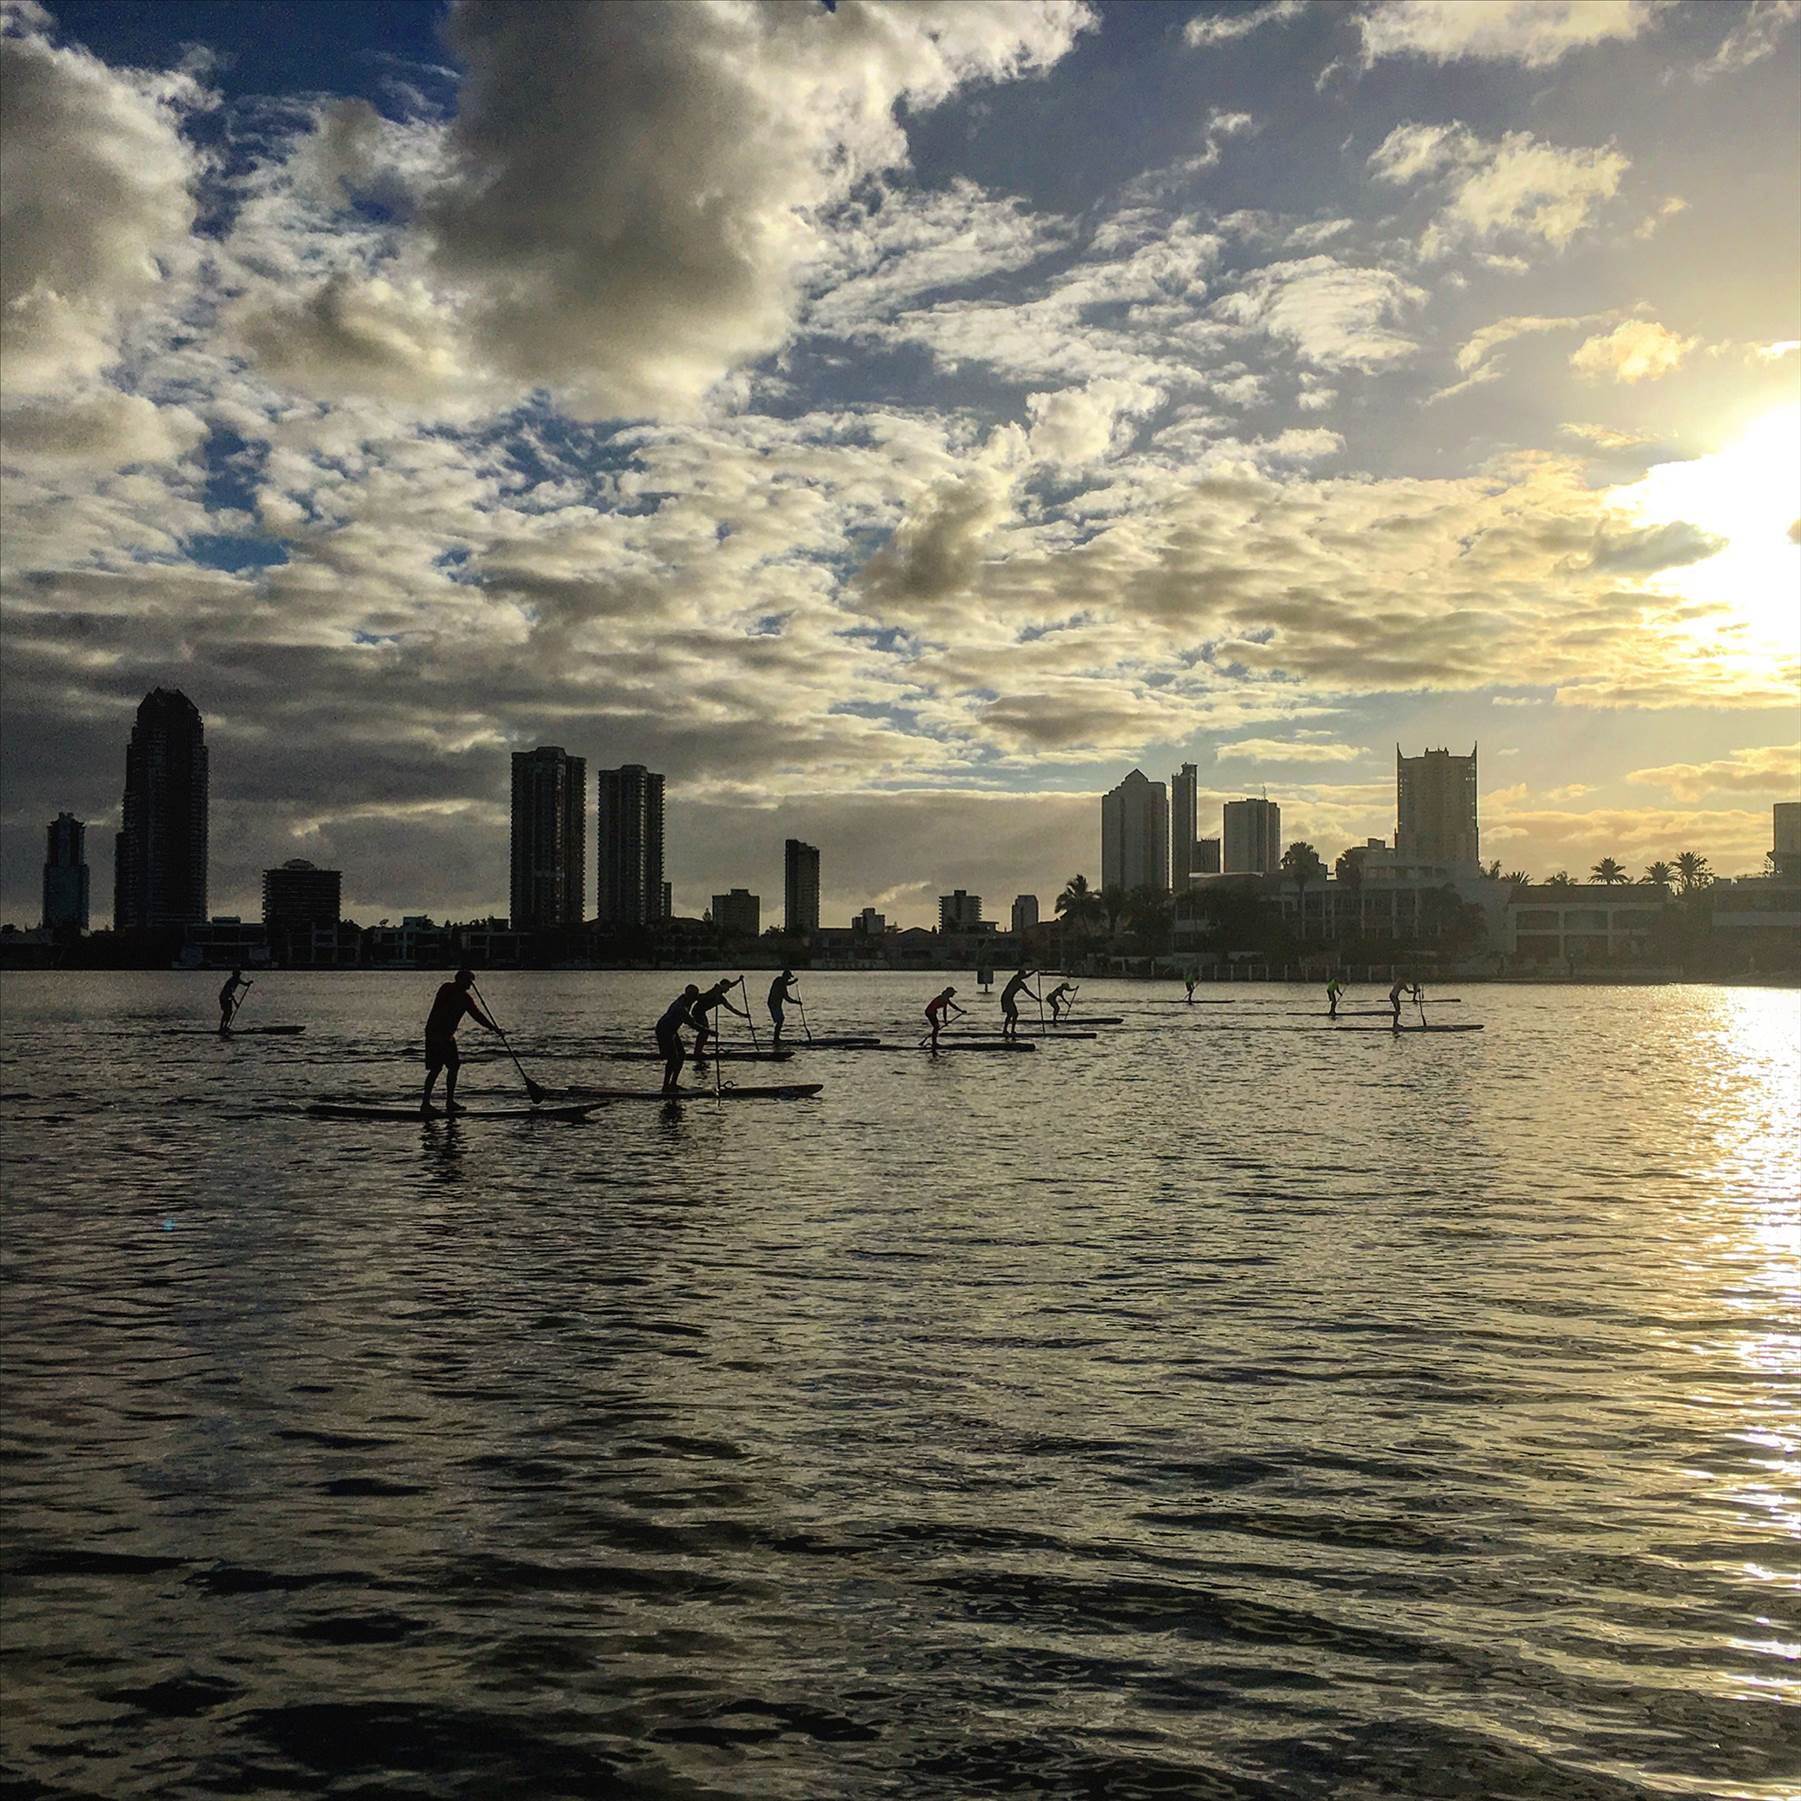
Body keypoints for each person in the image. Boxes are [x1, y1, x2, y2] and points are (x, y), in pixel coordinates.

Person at [422, 967, 499, 1114]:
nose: (470, 985)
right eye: (468, 981)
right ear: (460, 980)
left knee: (453, 1066)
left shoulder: (464, 998)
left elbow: (477, 1015)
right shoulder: (448, 989)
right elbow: (473, 1012)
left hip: (447, 1037)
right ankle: (426, 1103)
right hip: (435, 1035)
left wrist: (493, 1028)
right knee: (436, 1068)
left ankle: (449, 1102)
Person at [656, 984, 702, 1094]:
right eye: (694, 996)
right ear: (689, 995)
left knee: (681, 1055)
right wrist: (710, 1032)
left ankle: (673, 1084)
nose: (695, 999)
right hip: (664, 1030)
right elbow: (693, 1025)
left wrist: (716, 992)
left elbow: (704, 996)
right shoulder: (680, 1008)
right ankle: (666, 1086)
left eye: (696, 996)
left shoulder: (686, 999)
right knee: (673, 1058)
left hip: (672, 1030)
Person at [691, 978, 749, 1058]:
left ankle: (698, 1051)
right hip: (697, 1011)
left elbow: (731, 1009)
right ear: (723, 985)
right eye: (727, 987)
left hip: (702, 1012)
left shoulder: (721, 999)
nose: (728, 990)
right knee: (704, 1031)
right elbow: (705, 996)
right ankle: (697, 1052)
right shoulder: (716, 989)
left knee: (705, 1031)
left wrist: (743, 1015)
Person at [1000, 966, 1039, 1040]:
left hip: (1010, 999)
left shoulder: (1021, 984)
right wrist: (1034, 971)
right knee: (1011, 1014)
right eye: (1023, 974)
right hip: (1005, 997)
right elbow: (1026, 976)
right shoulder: (1015, 978)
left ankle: (1012, 1031)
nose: (1023, 976)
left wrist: (1036, 998)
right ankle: (1005, 1030)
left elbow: (1028, 992)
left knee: (1014, 1014)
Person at [925, 985, 966, 1049]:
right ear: (949, 993)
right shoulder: (943, 999)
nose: (953, 994)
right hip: (930, 1012)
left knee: (936, 1027)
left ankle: (934, 1042)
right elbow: (944, 1011)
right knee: (936, 1027)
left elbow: (953, 1005)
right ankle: (934, 1043)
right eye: (953, 993)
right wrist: (945, 1021)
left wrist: (961, 1011)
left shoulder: (945, 998)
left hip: (932, 1012)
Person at [767, 969, 800, 1047]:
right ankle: (776, 1039)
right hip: (773, 1004)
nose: (788, 979)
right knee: (780, 1020)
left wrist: (793, 982)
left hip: (776, 1004)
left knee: (780, 1020)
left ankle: (776, 1038)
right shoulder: (781, 984)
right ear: (785, 976)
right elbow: (787, 998)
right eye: (788, 978)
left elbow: (786, 983)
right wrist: (797, 1002)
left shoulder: (778, 980)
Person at [218, 968, 252, 1034]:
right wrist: (236, 1003)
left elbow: (245, 984)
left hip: (228, 998)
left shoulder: (237, 980)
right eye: (238, 975)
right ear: (234, 975)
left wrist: (249, 983)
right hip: (224, 998)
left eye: (239, 975)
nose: (239, 976)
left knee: (230, 1012)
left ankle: (225, 1027)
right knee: (226, 1012)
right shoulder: (231, 981)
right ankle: (221, 1028)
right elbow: (230, 993)